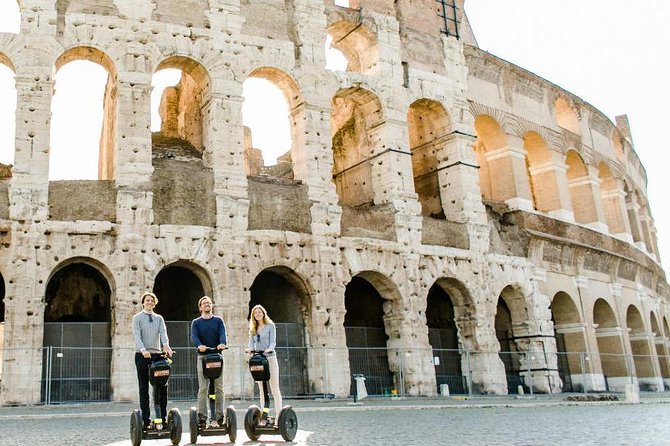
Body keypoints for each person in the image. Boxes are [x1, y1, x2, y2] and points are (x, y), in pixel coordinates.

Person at [131, 291, 174, 429]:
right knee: (144, 388)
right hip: (142, 355)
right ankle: (146, 420)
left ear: (154, 303)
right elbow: (137, 336)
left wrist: (166, 345)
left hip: (157, 355)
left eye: (152, 300)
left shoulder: (159, 318)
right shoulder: (137, 318)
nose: (149, 302)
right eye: (147, 300)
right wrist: (143, 350)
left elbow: (163, 332)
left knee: (162, 387)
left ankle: (162, 417)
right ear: (143, 302)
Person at [190, 295, 228, 427]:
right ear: (200, 307)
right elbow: (194, 336)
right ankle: (202, 416)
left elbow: (222, 333)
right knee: (203, 387)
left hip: (217, 356)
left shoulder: (218, 321)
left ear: (212, 305)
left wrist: (222, 343)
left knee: (219, 387)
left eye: (209, 303)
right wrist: (199, 345)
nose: (207, 304)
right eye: (204, 303)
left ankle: (219, 416)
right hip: (203, 357)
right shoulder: (196, 322)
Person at [246, 304, 283, 425]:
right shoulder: (252, 329)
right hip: (259, 360)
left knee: (274, 389)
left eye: (259, 312)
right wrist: (250, 350)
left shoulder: (270, 326)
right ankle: (264, 417)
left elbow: (273, 342)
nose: (257, 314)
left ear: (263, 313)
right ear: (253, 315)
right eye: (255, 313)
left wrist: (269, 349)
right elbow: (251, 343)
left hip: (270, 358)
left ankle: (279, 417)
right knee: (262, 390)